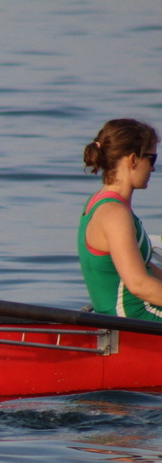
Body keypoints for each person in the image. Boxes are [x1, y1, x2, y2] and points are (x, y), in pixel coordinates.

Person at [78, 118, 161, 320]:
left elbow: (143, 266)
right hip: (135, 320)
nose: (153, 169)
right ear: (133, 159)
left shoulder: (97, 203)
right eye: (152, 159)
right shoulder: (115, 214)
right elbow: (138, 284)